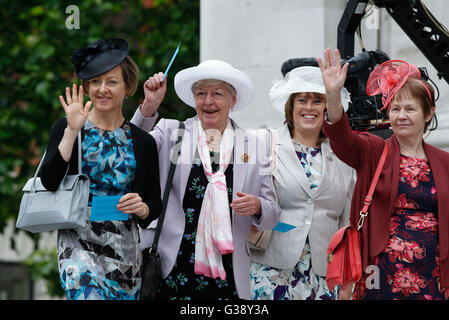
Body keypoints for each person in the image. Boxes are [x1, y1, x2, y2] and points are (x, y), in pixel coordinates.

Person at [130, 59, 281, 300]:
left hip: (228, 274)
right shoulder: (172, 132)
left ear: (232, 100)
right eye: (201, 93)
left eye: (217, 94)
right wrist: (148, 107)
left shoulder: (254, 146)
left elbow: (272, 215)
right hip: (173, 267)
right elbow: (130, 149)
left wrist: (258, 205)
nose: (208, 101)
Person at [318, 48, 449, 300]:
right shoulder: (375, 150)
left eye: (409, 109)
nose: (401, 116)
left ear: (428, 113)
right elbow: (342, 139)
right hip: (379, 273)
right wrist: (333, 98)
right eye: (394, 109)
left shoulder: (444, 161)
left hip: (432, 274)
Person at [40, 38, 162, 300]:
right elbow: (48, 182)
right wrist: (72, 132)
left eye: (111, 81)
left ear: (128, 87)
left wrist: (143, 208)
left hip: (125, 246)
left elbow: (154, 204)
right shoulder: (68, 128)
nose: (102, 89)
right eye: (95, 82)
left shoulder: (143, 141)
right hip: (78, 241)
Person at [249, 63, 356, 300]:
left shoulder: (343, 156)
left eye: (317, 100)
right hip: (273, 272)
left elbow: (346, 221)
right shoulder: (264, 144)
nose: (309, 107)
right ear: (291, 106)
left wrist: (347, 278)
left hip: (325, 275)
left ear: (327, 107)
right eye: (302, 100)